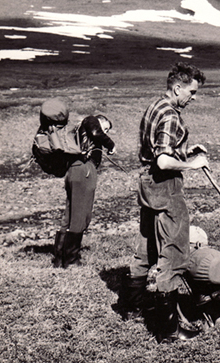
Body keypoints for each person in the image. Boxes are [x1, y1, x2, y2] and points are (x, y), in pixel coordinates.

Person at [123, 62, 209, 343]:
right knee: (173, 249)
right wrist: (193, 164)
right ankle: (169, 329)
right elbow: (162, 159)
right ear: (177, 88)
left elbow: (159, 148)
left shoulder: (155, 106)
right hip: (165, 186)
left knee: (147, 243)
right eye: (192, 92)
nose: (193, 98)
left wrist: (186, 151)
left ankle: (132, 306)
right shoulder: (172, 115)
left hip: (147, 184)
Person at [53, 114, 116, 268]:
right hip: (85, 170)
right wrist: (111, 145)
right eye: (105, 128)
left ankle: (60, 258)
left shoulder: (79, 130)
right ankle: (72, 260)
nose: (105, 133)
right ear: (99, 122)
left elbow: (94, 133)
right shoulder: (91, 120)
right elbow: (95, 132)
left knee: (69, 215)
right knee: (81, 217)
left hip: (74, 170)